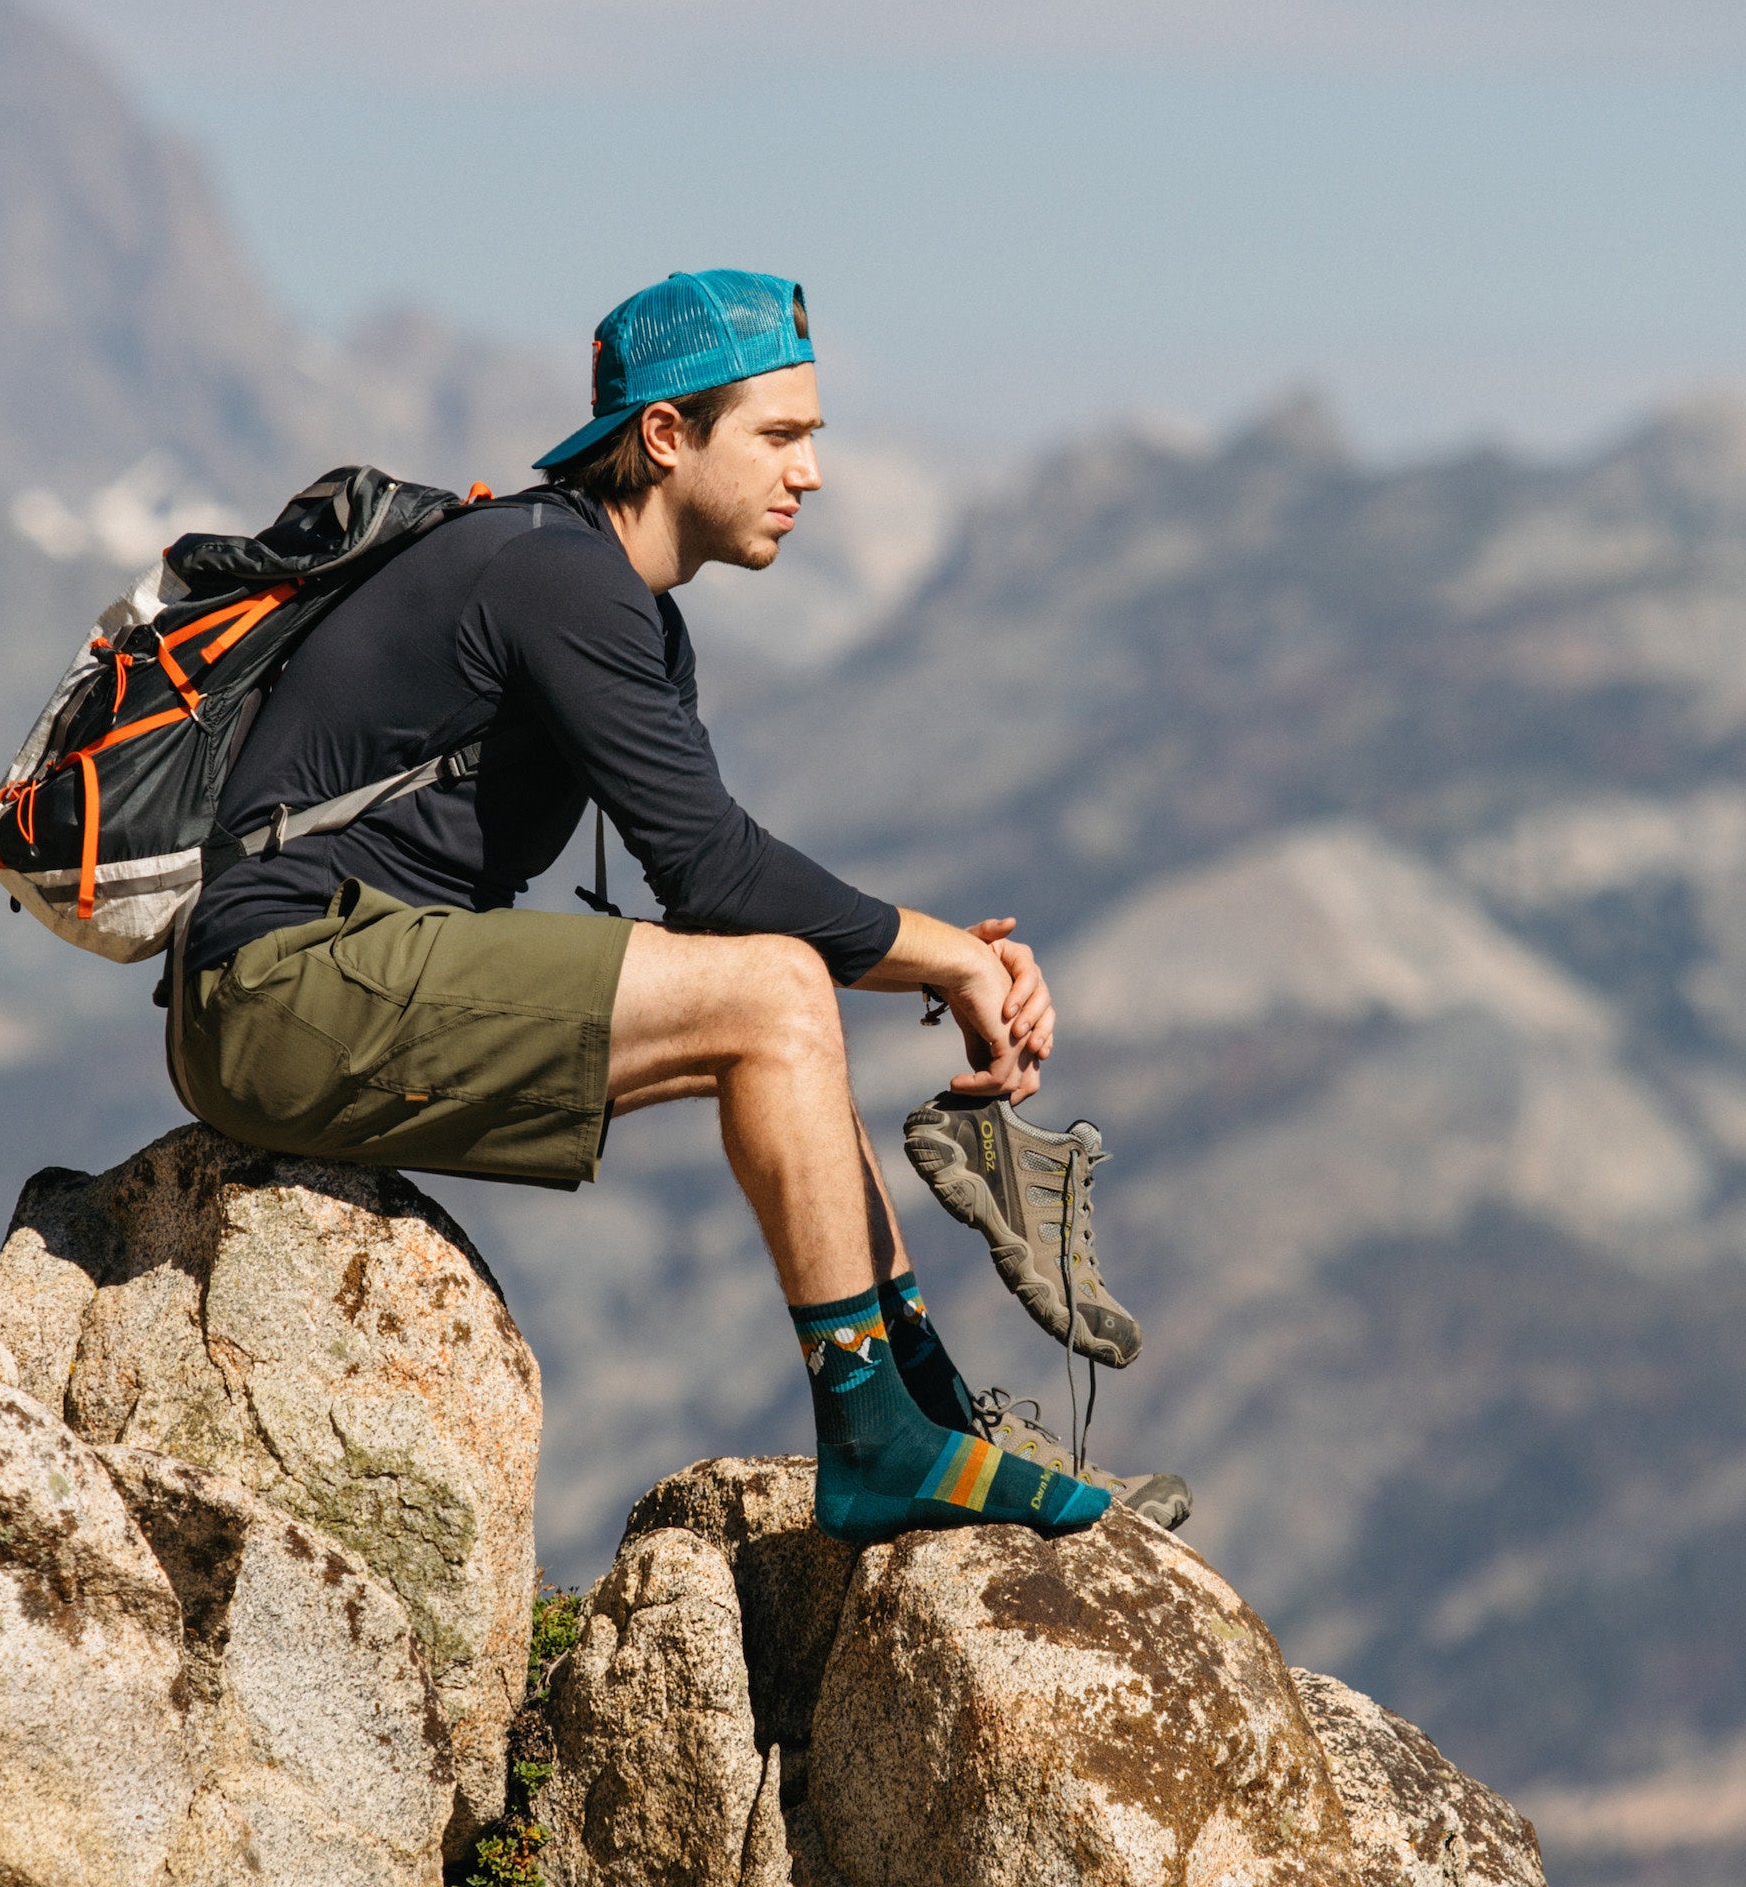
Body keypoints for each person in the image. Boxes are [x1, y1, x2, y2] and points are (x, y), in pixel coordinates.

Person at [173, 269, 1183, 1544]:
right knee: (774, 989)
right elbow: (717, 871)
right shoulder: (557, 576)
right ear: (665, 436)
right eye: (779, 434)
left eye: (810, 436)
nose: (809, 472)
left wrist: (926, 961)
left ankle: (919, 1398)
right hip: (279, 986)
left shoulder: (623, 607)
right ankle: (875, 1436)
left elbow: (718, 903)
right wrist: (950, 959)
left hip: (331, 977)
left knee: (777, 993)